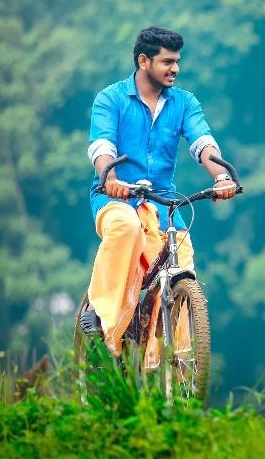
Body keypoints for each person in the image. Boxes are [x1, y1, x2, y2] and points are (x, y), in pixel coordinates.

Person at [83, 26, 236, 366]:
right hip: (115, 198)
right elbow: (102, 146)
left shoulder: (184, 102)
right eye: (167, 61)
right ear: (144, 61)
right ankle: (101, 314)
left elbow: (202, 142)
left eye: (177, 61)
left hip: (163, 203)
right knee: (126, 228)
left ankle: (173, 363)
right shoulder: (111, 99)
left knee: (183, 263)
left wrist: (222, 176)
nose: (175, 68)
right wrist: (111, 178)